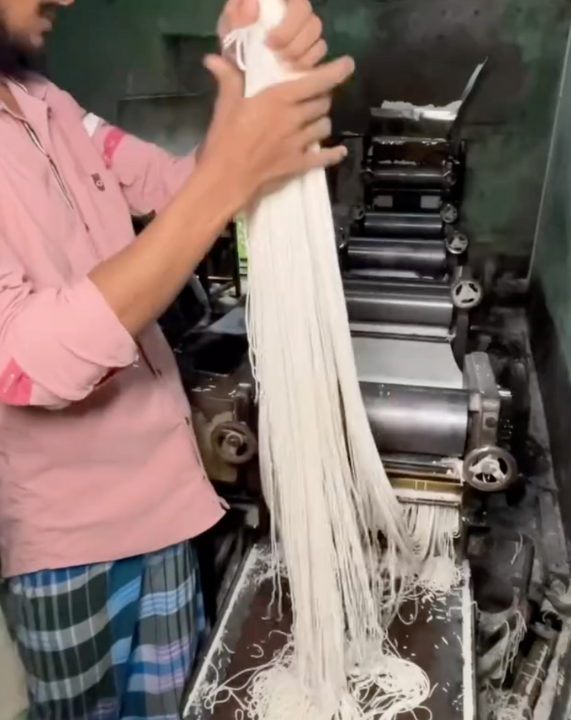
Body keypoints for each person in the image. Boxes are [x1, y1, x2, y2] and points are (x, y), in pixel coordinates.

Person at [0, 0, 352, 716]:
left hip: (166, 505)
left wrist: (250, 63)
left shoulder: (49, 104)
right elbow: (29, 361)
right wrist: (228, 179)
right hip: (71, 547)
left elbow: (174, 187)